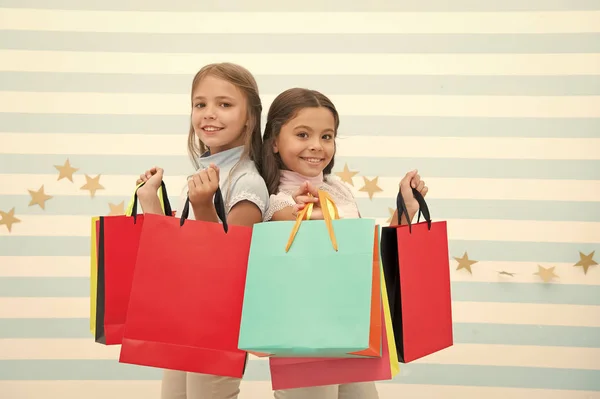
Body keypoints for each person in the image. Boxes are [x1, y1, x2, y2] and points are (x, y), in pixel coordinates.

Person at [252, 87, 428, 399]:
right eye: (303, 135)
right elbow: (290, 238)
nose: (316, 146)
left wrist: (406, 209)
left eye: (327, 136)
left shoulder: (338, 190)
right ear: (275, 141)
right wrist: (305, 213)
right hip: (304, 334)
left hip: (351, 326)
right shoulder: (276, 199)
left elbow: (364, 256)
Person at [136, 62, 269, 399]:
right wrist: (150, 202)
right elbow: (176, 254)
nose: (209, 114)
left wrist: (204, 207)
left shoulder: (246, 181)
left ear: (249, 117)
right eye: (200, 104)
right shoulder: (208, 173)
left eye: (225, 104)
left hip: (215, 325)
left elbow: (229, 270)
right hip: (183, 314)